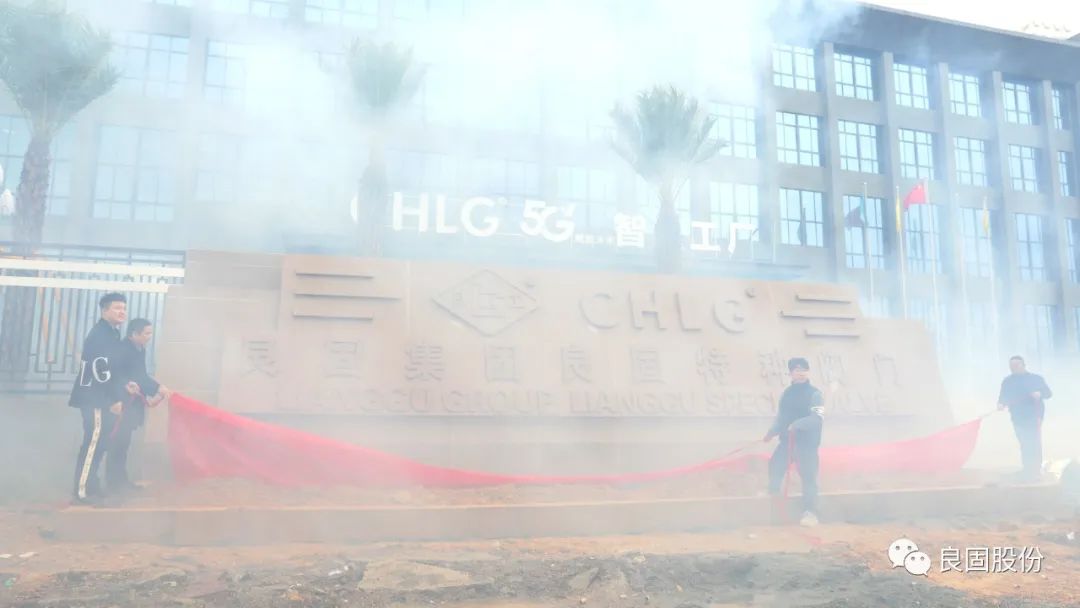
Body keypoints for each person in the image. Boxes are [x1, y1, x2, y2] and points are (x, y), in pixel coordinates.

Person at [68, 292, 128, 506]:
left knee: (101, 443)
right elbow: (101, 370)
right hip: (95, 398)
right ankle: (82, 491)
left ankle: (92, 485)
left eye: (124, 308)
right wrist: (113, 398)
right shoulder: (100, 334)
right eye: (117, 308)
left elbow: (113, 368)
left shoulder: (111, 333)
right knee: (93, 443)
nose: (122, 312)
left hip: (102, 397)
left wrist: (124, 386)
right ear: (104, 310)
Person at [106, 318, 172, 494]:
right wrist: (126, 385)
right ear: (134, 334)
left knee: (124, 445)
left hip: (132, 404)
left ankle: (121, 482)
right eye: (146, 333)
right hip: (120, 404)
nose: (149, 337)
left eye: (150, 333)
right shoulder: (122, 349)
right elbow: (113, 375)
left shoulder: (139, 349)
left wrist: (157, 388)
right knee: (117, 445)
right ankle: (113, 485)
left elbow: (140, 376)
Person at [763, 357, 825, 527]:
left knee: (808, 478)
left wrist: (797, 425)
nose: (801, 373)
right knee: (775, 466)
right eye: (797, 370)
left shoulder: (815, 394)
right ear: (791, 373)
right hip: (787, 443)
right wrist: (771, 432)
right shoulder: (787, 394)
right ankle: (773, 499)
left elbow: (817, 419)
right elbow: (781, 418)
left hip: (807, 445)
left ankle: (810, 512)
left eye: (804, 369)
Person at [997, 355, 1052, 483]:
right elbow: (1003, 396)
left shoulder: (1036, 379)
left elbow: (1048, 393)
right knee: (1024, 443)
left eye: (1016, 365)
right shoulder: (1007, 381)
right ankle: (1028, 470)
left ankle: (1035, 471)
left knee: (1034, 442)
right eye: (1011, 366)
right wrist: (1000, 404)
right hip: (1017, 417)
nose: (1013, 368)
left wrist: (1039, 394)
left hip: (1034, 416)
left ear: (1023, 365)